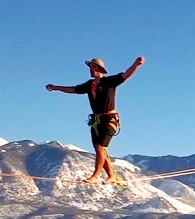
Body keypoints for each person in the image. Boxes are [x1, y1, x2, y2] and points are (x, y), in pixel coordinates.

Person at [46, 56, 144, 185]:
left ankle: (96, 175)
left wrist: (136, 64)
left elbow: (126, 75)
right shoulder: (89, 84)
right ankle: (111, 176)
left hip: (109, 119)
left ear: (100, 69)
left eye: (93, 67)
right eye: (90, 67)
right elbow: (73, 89)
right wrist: (57, 87)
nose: (91, 70)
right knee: (101, 149)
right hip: (96, 121)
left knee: (100, 147)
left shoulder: (110, 81)